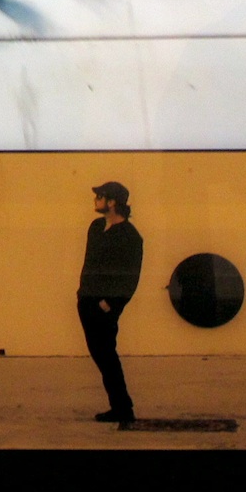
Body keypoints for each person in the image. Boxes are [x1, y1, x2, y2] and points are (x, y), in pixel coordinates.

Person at [77, 181, 143, 426]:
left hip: (104, 306)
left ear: (112, 202)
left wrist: (110, 304)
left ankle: (123, 408)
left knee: (106, 355)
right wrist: (83, 294)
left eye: (100, 197)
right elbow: (89, 263)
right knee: (102, 355)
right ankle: (120, 406)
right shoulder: (95, 227)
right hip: (87, 300)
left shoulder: (130, 236)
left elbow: (130, 277)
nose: (96, 200)